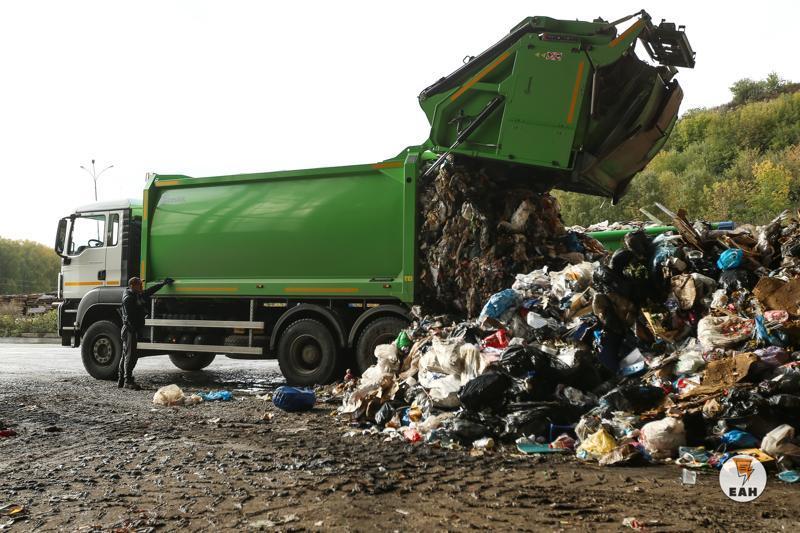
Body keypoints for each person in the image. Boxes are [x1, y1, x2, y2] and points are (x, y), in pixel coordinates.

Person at [119, 276, 174, 389]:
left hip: (131, 329)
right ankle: (127, 381)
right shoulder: (129, 298)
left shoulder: (135, 294)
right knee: (130, 356)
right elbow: (130, 318)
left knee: (126, 354)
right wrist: (136, 328)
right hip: (130, 330)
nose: (142, 286)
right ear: (132, 286)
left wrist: (162, 284)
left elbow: (149, 291)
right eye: (139, 285)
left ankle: (121, 380)